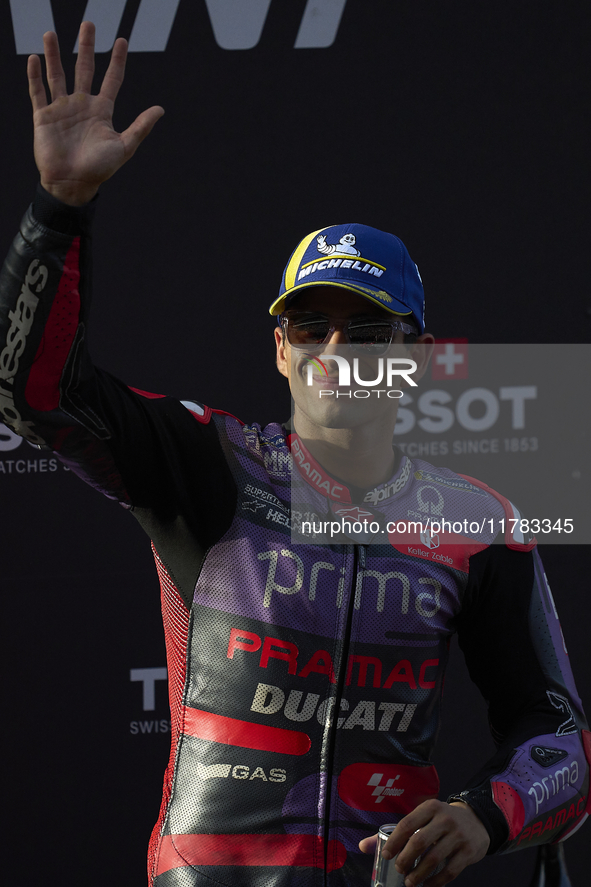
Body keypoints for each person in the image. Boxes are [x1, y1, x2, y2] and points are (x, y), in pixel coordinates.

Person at [1, 22, 589, 887]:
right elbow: (33, 393)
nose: (334, 350)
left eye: (366, 331)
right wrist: (60, 209)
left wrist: (480, 815)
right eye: (309, 326)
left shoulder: (475, 518)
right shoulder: (210, 462)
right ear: (279, 349)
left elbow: (560, 738)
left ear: (415, 357)